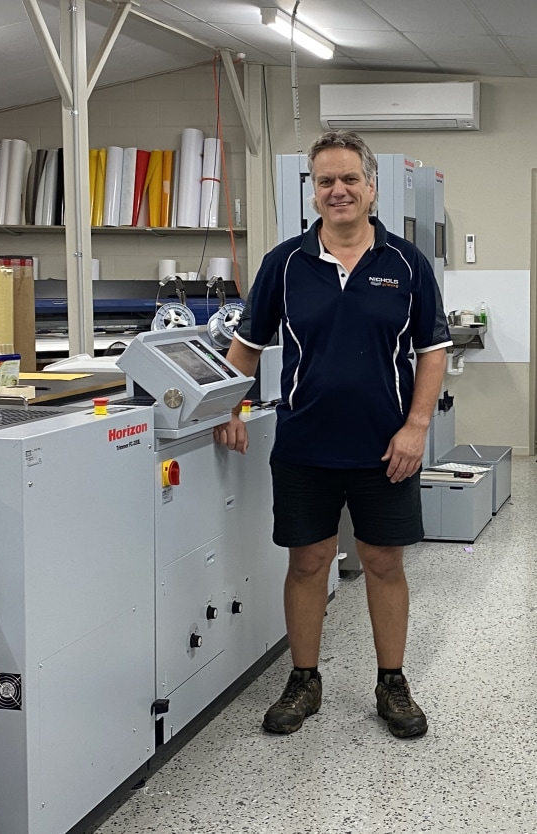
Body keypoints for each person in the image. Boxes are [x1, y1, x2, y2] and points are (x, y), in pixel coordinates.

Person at [214, 130, 451, 739]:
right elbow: (246, 347)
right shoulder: (284, 264)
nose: (338, 190)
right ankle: (304, 678)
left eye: (349, 179)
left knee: (383, 563)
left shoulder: (405, 264)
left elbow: (432, 351)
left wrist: (416, 427)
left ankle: (392, 682)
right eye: (326, 181)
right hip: (305, 445)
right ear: (313, 193)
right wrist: (226, 407)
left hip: (385, 447)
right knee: (308, 563)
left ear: (371, 188)